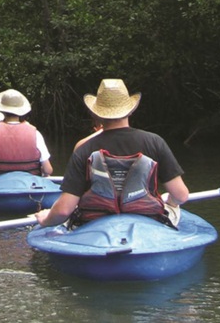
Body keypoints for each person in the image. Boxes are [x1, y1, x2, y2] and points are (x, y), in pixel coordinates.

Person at [35, 79, 189, 229]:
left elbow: (63, 211)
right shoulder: (155, 142)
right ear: (130, 110)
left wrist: (46, 219)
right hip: (148, 221)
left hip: (94, 226)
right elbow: (181, 196)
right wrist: (171, 201)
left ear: (97, 115)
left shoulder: (83, 150)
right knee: (171, 202)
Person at [0, 89, 54, 179]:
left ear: (2, 110)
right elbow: (48, 170)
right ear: (21, 111)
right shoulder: (36, 134)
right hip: (29, 186)